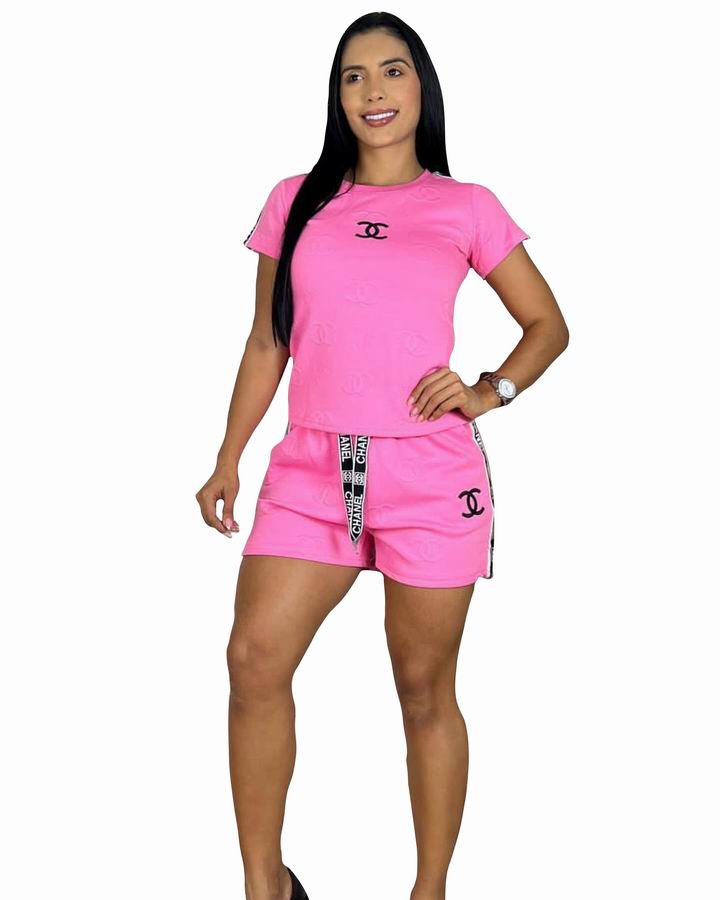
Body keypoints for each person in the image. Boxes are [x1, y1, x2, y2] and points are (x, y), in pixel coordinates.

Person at [196, 12, 569, 900]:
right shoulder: (297, 200)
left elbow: (547, 325)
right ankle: (265, 886)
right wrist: (228, 456)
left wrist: (488, 390)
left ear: (421, 88)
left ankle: (428, 891)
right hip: (311, 470)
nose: (373, 91)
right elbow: (267, 341)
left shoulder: (465, 206)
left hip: (429, 477)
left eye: (392, 71)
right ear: (337, 96)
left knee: (423, 687)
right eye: (354, 75)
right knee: (253, 662)